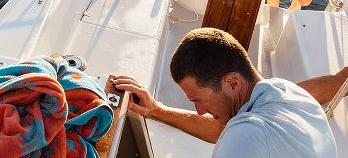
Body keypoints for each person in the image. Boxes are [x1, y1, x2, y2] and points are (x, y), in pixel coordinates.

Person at [113, 28, 339, 157]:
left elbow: (240, 134)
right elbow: (216, 129)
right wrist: (156, 110)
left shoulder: (249, 134)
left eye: (199, 100)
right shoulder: (286, 91)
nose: (200, 111)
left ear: (232, 83)